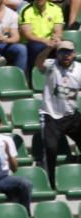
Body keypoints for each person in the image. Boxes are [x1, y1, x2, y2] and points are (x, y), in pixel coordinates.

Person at [39, 41, 81, 188]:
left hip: (71, 114)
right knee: (50, 149)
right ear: (57, 53)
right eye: (62, 52)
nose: (66, 55)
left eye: (69, 52)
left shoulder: (79, 69)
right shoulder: (51, 65)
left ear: (74, 53)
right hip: (51, 115)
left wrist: (66, 93)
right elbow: (38, 63)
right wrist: (48, 48)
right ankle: (50, 184)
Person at [20, 0, 63, 71]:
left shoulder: (56, 9)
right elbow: (28, 35)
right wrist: (44, 41)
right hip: (32, 42)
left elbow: (58, 31)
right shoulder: (26, 10)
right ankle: (33, 76)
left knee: (65, 46)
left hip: (50, 41)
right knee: (37, 47)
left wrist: (56, 38)